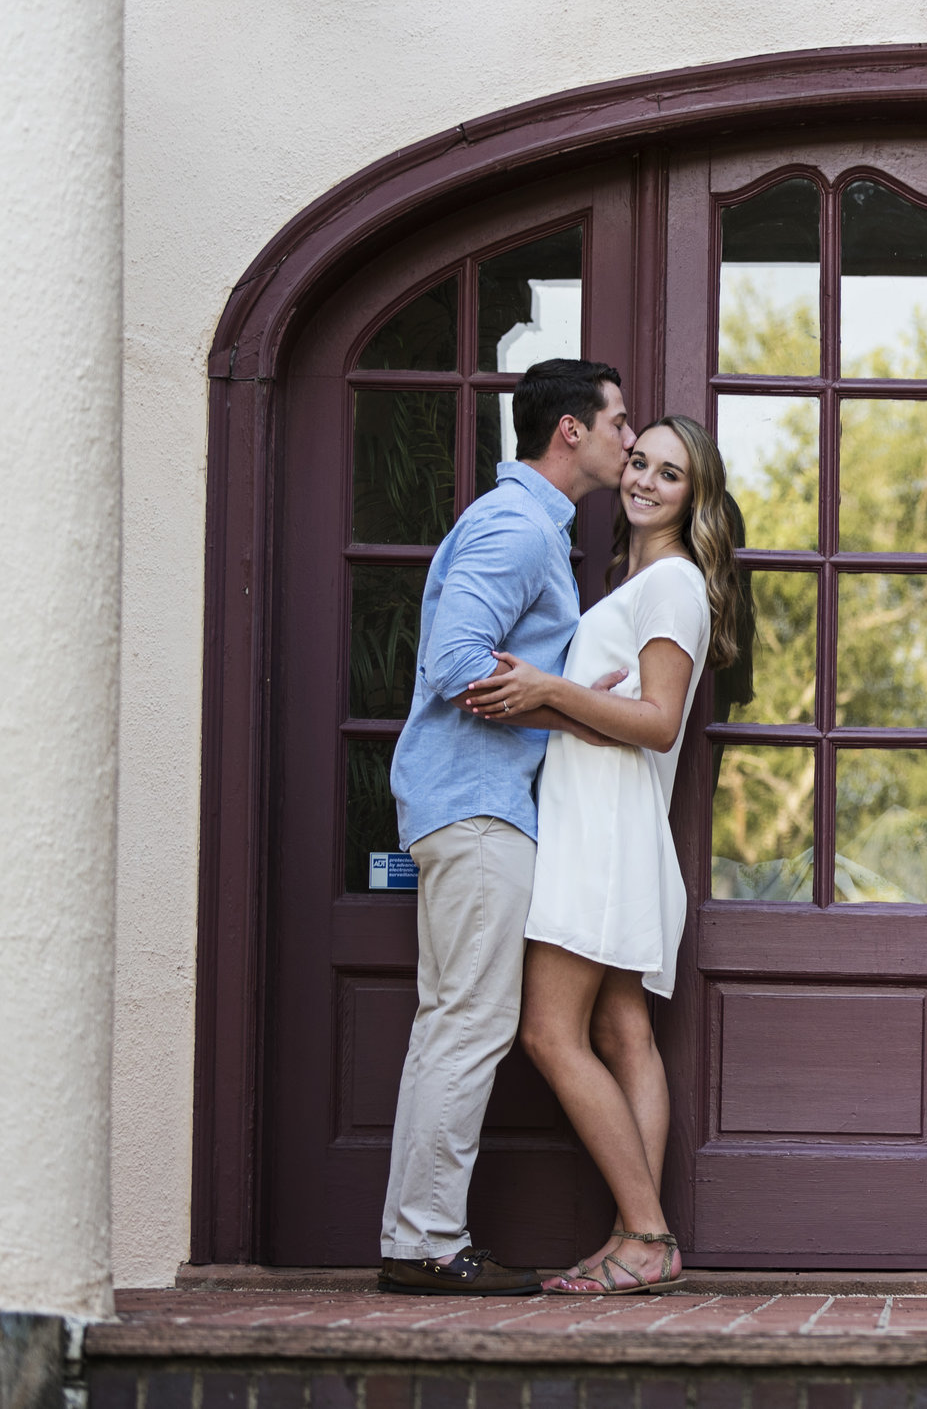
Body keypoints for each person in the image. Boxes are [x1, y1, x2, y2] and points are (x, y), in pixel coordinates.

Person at [462, 416, 749, 1295]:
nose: (646, 480)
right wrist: (546, 703)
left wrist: (546, 688)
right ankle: (637, 1235)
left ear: (695, 496)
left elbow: (659, 723)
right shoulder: (636, 582)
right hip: (611, 823)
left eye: (671, 473)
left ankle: (648, 1232)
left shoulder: (671, 586)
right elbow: (609, 720)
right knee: (624, 1032)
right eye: (639, 462)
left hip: (604, 835)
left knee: (550, 1031)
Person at [376, 358, 634, 1296]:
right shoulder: (518, 526)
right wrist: (568, 709)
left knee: (454, 1021)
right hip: (477, 808)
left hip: (474, 804)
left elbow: (502, 667)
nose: (629, 437)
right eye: (617, 421)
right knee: (471, 1022)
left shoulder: (528, 527)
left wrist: (565, 698)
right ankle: (428, 1245)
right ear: (570, 430)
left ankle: (419, 1237)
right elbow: (452, 662)